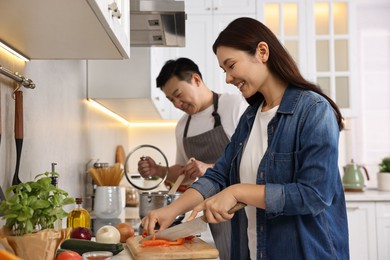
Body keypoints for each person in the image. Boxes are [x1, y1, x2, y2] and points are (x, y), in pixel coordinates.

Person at [141, 17, 349, 260]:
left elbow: (314, 195)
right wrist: (170, 211)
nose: (228, 78)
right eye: (224, 70)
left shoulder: (313, 110)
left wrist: (237, 192)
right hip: (254, 250)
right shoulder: (251, 117)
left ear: (261, 52)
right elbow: (220, 174)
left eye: (231, 65)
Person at [138, 57, 248, 260]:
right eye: (171, 100)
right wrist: (159, 171)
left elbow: (251, 161)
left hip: (246, 208)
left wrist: (209, 168)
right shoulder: (182, 127)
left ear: (196, 79)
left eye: (178, 94)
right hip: (213, 214)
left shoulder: (233, 105)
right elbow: (184, 177)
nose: (177, 104)